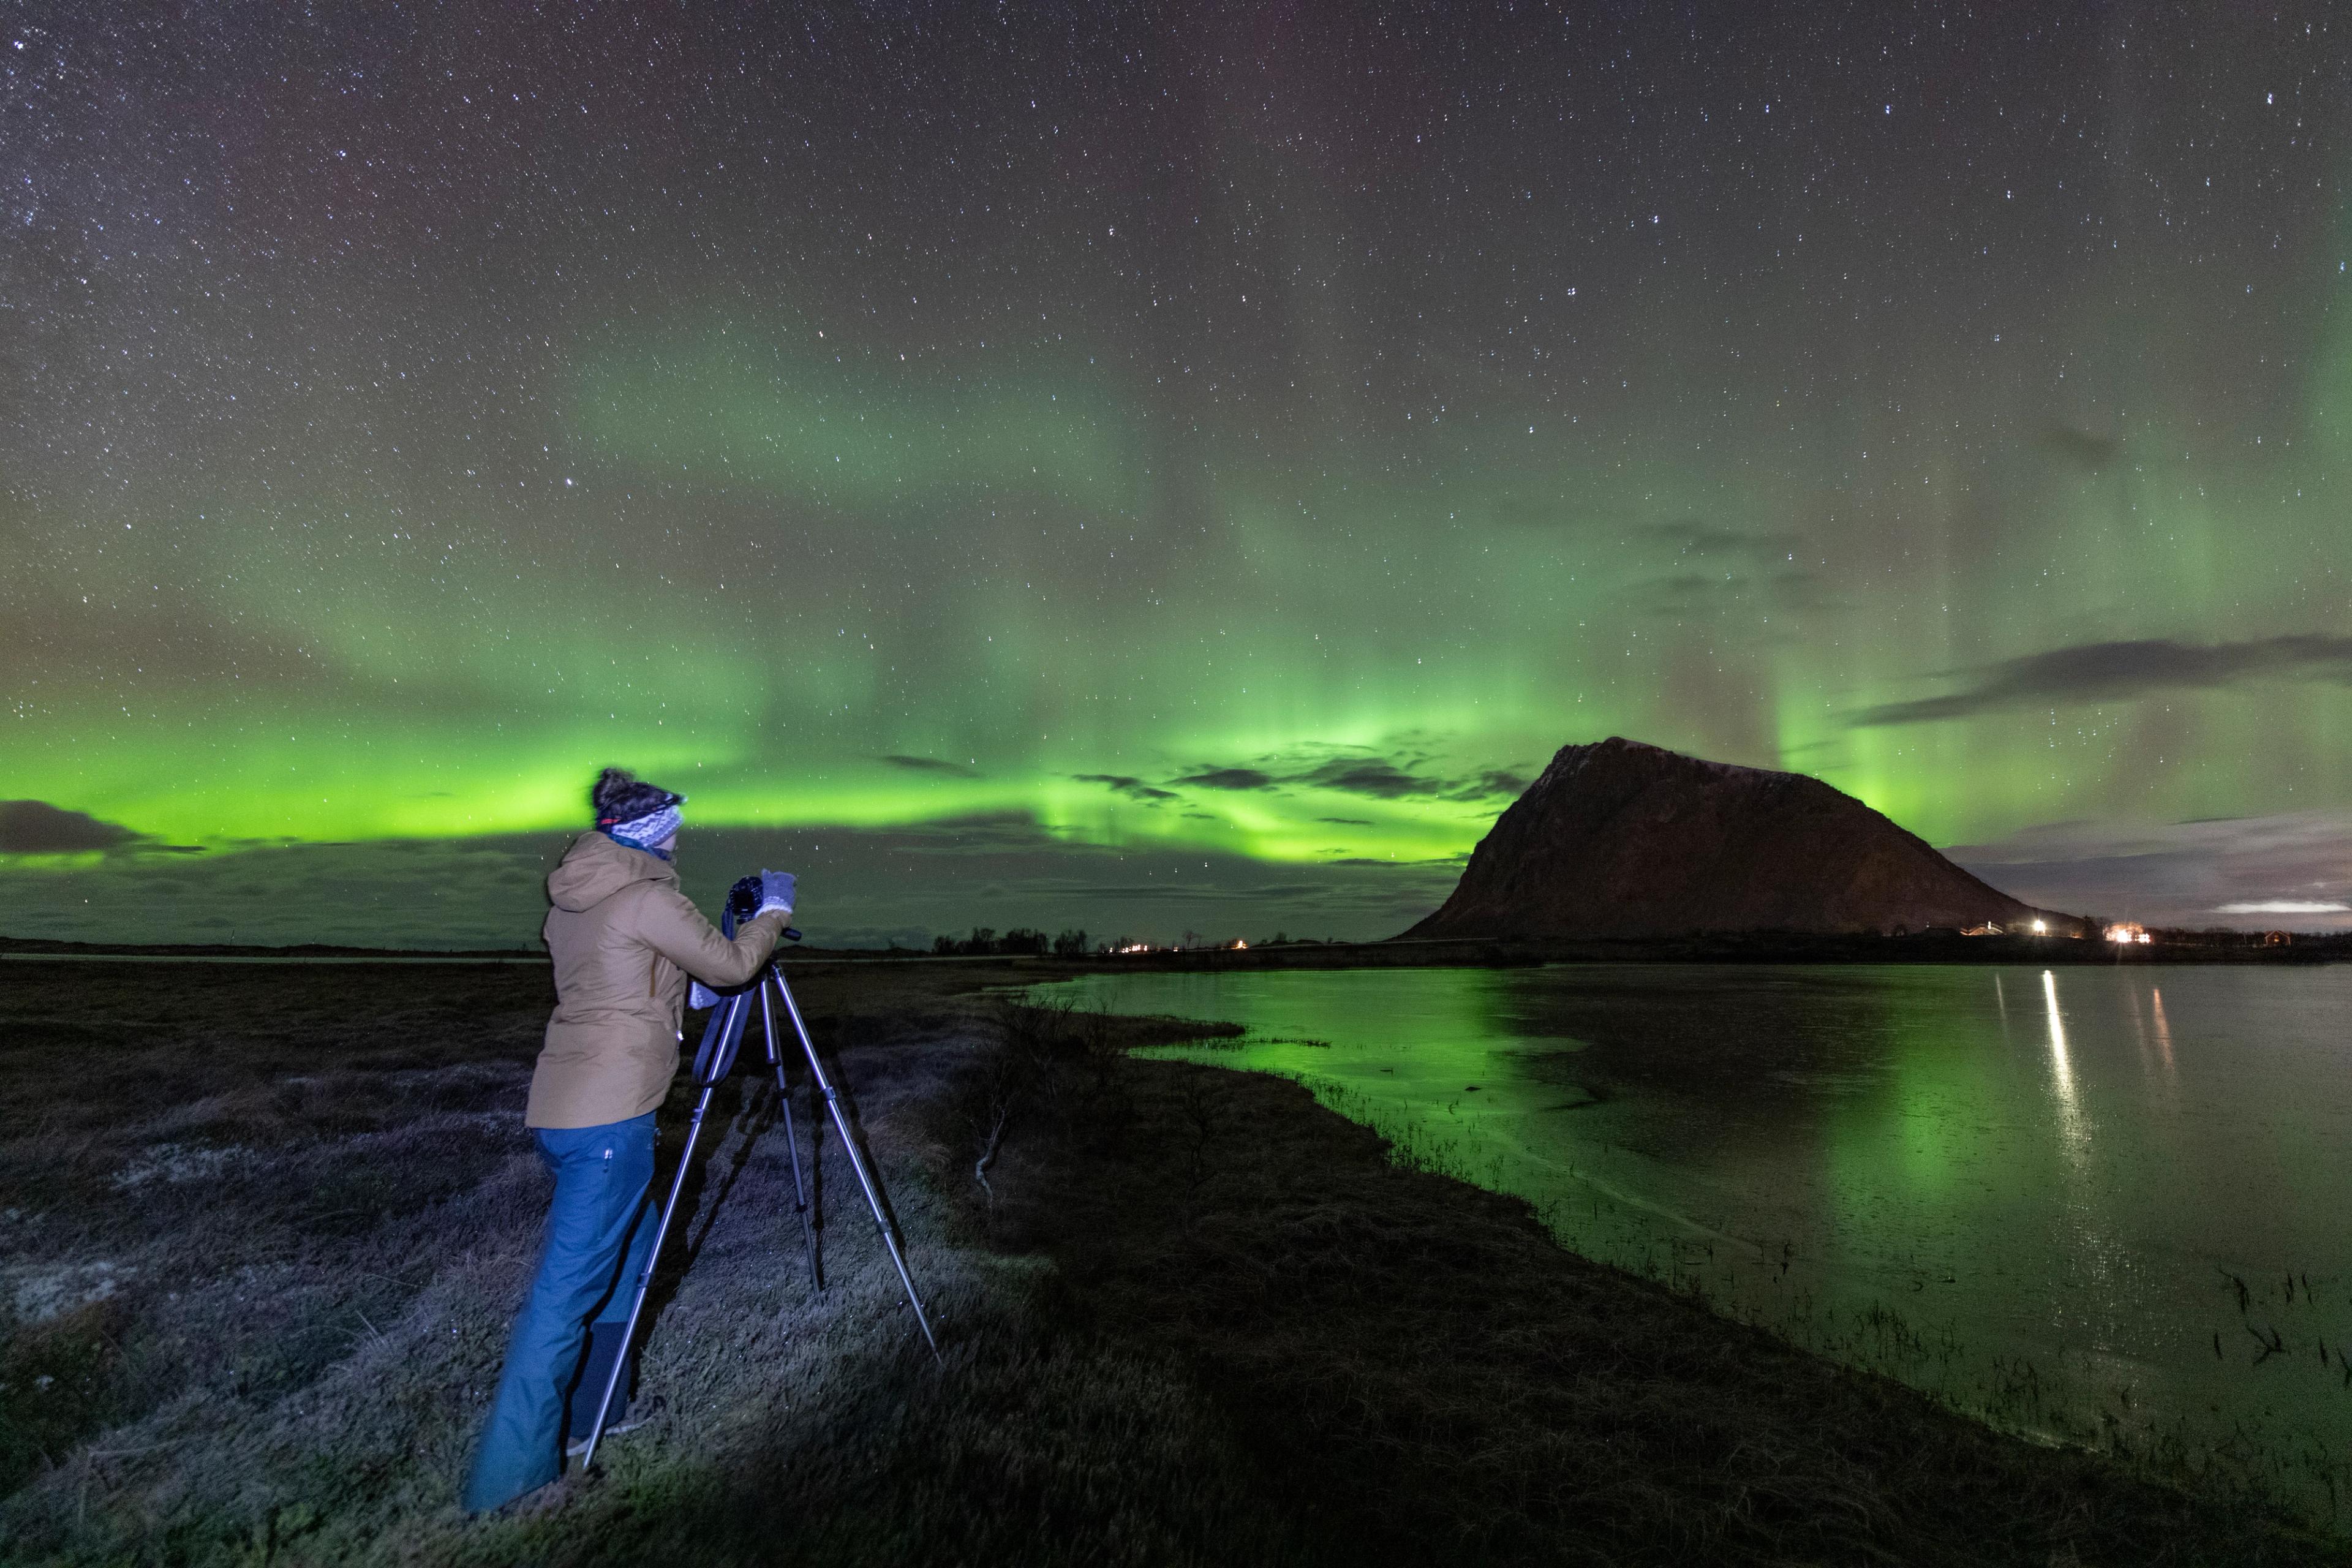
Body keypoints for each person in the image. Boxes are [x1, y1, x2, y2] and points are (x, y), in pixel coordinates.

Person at [462, 767, 795, 1513]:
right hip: (612, 1122)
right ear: (649, 832)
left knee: (630, 1256)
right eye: (673, 826)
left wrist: (701, 977)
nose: (680, 837)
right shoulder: (650, 896)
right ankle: (508, 1485)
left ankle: (595, 1416)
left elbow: (648, 984)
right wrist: (770, 912)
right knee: (562, 1300)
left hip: (563, 1110)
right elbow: (736, 964)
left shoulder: (577, 905)